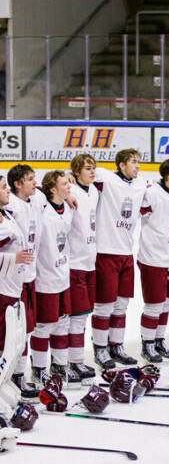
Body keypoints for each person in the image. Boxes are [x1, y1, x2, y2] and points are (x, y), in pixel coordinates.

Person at [91, 149, 147, 369]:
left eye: (138, 162)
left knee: (121, 305)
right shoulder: (106, 178)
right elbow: (79, 176)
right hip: (105, 251)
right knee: (104, 306)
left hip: (126, 253)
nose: (138, 166)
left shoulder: (141, 184)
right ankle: (100, 349)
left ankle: (116, 346)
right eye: (133, 162)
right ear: (122, 165)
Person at [137, 159, 169, 363]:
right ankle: (147, 344)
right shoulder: (151, 193)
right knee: (153, 305)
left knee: (167, 304)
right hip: (153, 259)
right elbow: (135, 214)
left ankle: (158, 341)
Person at [30, 171, 74, 386]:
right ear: (52, 189)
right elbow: (29, 192)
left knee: (64, 323)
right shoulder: (41, 206)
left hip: (63, 276)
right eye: (65, 184)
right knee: (44, 326)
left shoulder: (67, 208)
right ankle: (38, 369)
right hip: (45, 277)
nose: (69, 187)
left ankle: (58, 366)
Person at [4, 165, 42, 399]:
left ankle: (18, 376)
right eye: (29, 179)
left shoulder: (35, 202)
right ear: (17, 184)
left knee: (26, 331)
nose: (34, 183)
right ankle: (13, 377)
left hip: (30, 277)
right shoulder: (10, 207)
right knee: (15, 332)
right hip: (14, 281)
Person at [67, 154, 99, 381]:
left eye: (93, 168)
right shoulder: (70, 191)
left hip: (90, 263)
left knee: (84, 315)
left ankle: (75, 360)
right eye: (87, 168)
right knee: (75, 318)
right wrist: (66, 180)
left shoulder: (94, 191)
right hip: (74, 263)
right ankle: (72, 362)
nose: (92, 172)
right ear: (77, 172)